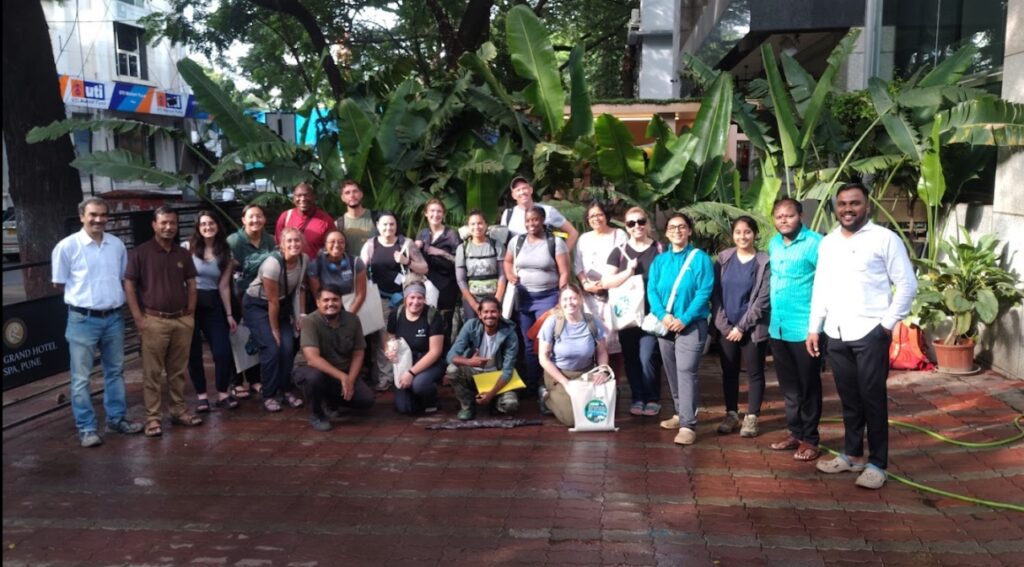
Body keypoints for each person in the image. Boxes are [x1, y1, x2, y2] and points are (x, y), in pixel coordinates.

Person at [809, 182, 917, 490]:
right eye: (842, 204)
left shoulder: (885, 239)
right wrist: (815, 327)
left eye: (854, 203)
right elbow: (822, 287)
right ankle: (853, 454)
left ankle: (877, 463)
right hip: (837, 332)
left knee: (873, 400)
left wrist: (886, 324)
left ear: (866, 206)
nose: (847, 209)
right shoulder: (828, 243)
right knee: (849, 399)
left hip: (870, 331)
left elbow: (907, 284)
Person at [52, 197, 142, 447]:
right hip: (83, 319)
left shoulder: (116, 245)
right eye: (93, 214)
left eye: (103, 215)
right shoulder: (67, 247)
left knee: (115, 371)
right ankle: (87, 427)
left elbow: (124, 278)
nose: (98, 219)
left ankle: (116, 419)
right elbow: (59, 283)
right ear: (82, 216)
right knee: (81, 377)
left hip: (113, 317)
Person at [124, 206, 202, 438]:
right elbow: (129, 285)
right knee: (153, 373)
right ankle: (153, 418)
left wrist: (190, 312)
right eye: (164, 223)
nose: (168, 227)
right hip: (153, 321)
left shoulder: (182, 254)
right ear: (154, 225)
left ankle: (178, 411)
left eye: (172, 223)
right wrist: (138, 317)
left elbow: (191, 282)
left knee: (177, 371)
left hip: (181, 320)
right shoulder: (140, 253)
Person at [647, 212, 713, 446]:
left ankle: (688, 424)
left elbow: (704, 292)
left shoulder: (700, 259)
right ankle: (679, 412)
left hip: (691, 324)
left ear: (689, 231)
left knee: (686, 371)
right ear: (666, 233)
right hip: (666, 325)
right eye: (672, 227)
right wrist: (663, 316)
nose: (677, 231)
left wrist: (684, 318)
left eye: (682, 227)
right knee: (672, 372)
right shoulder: (660, 261)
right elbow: (652, 291)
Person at [767, 198, 824, 461]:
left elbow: (826, 283)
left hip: (805, 329)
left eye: (788, 216)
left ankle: (811, 440)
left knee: (808, 385)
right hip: (778, 328)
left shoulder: (815, 244)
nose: (783, 221)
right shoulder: (774, 243)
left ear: (800, 215)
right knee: (789, 387)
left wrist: (817, 327)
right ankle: (795, 432)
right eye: (779, 216)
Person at [601, 207, 664, 417]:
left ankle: (652, 396)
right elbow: (606, 281)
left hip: (651, 313)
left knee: (648, 356)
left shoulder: (659, 248)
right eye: (631, 223)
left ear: (647, 223)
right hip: (627, 314)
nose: (637, 226)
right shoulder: (619, 252)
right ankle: (637, 397)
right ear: (626, 227)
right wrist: (628, 272)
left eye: (641, 221)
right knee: (631, 357)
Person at [711, 216, 770, 437]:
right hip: (727, 327)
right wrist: (725, 327)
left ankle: (752, 417)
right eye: (738, 232)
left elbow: (762, 300)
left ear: (754, 234)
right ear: (732, 235)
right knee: (729, 372)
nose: (742, 236)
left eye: (747, 232)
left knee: (755, 373)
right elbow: (715, 294)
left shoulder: (763, 261)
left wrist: (741, 327)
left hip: (752, 328)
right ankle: (732, 414)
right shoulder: (724, 259)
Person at [502, 205, 570, 395]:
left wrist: (561, 300)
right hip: (523, 298)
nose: (531, 224)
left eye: (535, 220)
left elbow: (564, 272)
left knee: (545, 340)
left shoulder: (555, 242)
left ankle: (548, 382)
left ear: (542, 220)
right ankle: (532, 384)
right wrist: (509, 274)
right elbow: (507, 261)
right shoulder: (517, 241)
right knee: (528, 341)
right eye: (528, 220)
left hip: (548, 298)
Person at [360, 211, 428, 391]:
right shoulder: (370, 245)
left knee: (407, 335)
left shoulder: (406, 243)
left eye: (391, 224)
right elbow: (360, 269)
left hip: (406, 298)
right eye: (384, 224)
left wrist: (406, 261)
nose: (388, 228)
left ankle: (408, 372)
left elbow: (424, 268)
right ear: (377, 226)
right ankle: (386, 377)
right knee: (383, 337)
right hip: (380, 298)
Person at [243, 226, 308, 412]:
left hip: (280, 306)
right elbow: (272, 300)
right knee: (272, 347)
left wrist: (300, 315)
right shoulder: (273, 264)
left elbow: (300, 288)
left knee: (288, 348)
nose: (294, 244)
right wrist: (274, 329)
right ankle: (269, 395)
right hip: (258, 305)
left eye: (297, 240)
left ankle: (286, 389)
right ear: (282, 245)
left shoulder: (304, 260)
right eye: (290, 241)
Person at [293, 284, 374, 431]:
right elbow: (312, 359)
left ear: (341, 301)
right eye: (326, 300)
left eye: (335, 300)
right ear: (318, 303)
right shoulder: (311, 321)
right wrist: (343, 377)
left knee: (366, 399)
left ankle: (331, 401)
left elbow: (358, 352)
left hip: (340, 370)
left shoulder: (352, 320)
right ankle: (317, 414)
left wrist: (350, 379)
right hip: (311, 369)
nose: (331, 304)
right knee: (314, 378)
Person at [185, 211, 239, 412]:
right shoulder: (187, 248)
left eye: (211, 223)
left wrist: (229, 314)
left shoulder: (225, 252)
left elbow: (224, 286)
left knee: (222, 351)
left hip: (213, 302)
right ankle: (202, 396)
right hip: (190, 304)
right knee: (194, 352)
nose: (208, 227)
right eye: (203, 224)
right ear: (198, 228)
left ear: (217, 225)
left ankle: (223, 392)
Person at [537, 284, 610, 427]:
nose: (569, 303)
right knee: (573, 419)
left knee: (598, 414)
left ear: (580, 299)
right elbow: (543, 358)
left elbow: (602, 352)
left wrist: (602, 370)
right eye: (565, 299)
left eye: (573, 298)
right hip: (559, 375)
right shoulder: (552, 322)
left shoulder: (592, 322)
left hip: (586, 373)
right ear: (560, 302)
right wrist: (566, 383)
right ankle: (547, 397)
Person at [226, 203, 276, 399]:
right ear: (243, 220)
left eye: (259, 216)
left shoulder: (269, 240)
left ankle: (255, 379)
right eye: (251, 217)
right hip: (238, 296)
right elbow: (228, 268)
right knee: (236, 336)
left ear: (264, 219)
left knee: (253, 337)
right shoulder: (234, 241)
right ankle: (236, 381)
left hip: (261, 297)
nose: (255, 220)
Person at [575, 201, 627, 378]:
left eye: (599, 214)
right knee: (592, 336)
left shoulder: (618, 235)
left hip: (613, 294)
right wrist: (585, 283)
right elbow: (578, 266)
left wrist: (605, 283)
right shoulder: (583, 239)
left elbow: (624, 261)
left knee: (614, 340)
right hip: (589, 296)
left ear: (606, 215)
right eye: (592, 216)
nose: (596, 219)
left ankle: (614, 381)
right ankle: (594, 378)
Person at [447, 295, 520, 420]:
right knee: (452, 369)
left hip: (498, 376)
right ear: (479, 314)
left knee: (510, 405)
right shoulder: (471, 326)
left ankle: (493, 402)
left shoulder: (510, 334)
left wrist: (490, 395)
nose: (489, 315)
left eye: (493, 311)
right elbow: (450, 356)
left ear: (500, 313)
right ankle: (467, 406)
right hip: (474, 374)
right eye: (485, 312)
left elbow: (507, 372)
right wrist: (469, 362)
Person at [385, 283, 446, 414]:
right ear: (406, 298)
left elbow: (435, 352)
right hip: (405, 362)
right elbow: (390, 339)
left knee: (419, 385)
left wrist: (411, 373)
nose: (415, 302)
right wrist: (390, 351)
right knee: (405, 409)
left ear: (425, 299)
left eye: (420, 298)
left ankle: (432, 400)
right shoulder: (396, 313)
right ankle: (415, 397)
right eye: (412, 297)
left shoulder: (433, 315)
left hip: (429, 363)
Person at [414, 198, 461, 343]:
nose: (436, 214)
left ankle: (444, 354)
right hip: (426, 283)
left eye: (439, 211)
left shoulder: (451, 234)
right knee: (426, 319)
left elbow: (460, 260)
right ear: (426, 214)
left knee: (444, 320)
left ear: (444, 214)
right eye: (432, 211)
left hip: (446, 284)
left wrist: (441, 252)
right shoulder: (423, 234)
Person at [499, 176, 578, 250]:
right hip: (519, 262)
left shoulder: (548, 211)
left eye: (524, 188)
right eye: (518, 190)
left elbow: (573, 233)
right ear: (513, 195)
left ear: (531, 190)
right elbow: (502, 241)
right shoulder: (508, 214)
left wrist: (562, 256)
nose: (522, 192)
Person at [455, 210, 507, 320]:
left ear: (486, 225)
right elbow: (461, 280)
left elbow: (502, 275)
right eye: (473, 224)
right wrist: (474, 305)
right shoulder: (462, 249)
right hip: (471, 299)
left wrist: (496, 301)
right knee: (473, 330)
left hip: (494, 296)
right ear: (468, 227)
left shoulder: (496, 245)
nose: (477, 227)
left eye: (480, 223)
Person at [307, 229, 367, 315]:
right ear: (325, 245)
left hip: (352, 308)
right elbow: (318, 297)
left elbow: (361, 294)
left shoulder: (356, 262)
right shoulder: (315, 265)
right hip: (326, 310)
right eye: (332, 241)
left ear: (345, 245)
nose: (336, 245)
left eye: (341, 242)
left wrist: (348, 317)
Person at [274, 182, 334, 259]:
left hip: (315, 268)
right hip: (291, 268)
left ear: (314, 197)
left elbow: (332, 248)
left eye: (306, 195)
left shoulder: (326, 220)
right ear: (293, 198)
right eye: (298, 196)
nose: (302, 199)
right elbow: (278, 245)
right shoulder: (285, 217)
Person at [335, 179, 376, 257]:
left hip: (374, 266)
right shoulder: (338, 224)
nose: (352, 195)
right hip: (350, 266)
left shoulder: (376, 218)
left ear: (361, 194)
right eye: (347, 193)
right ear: (342, 198)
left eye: (355, 191)